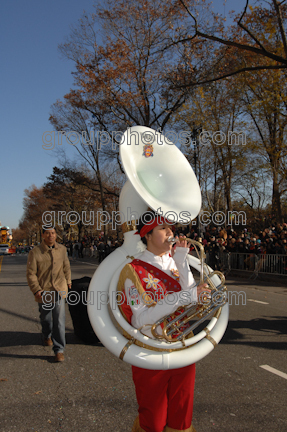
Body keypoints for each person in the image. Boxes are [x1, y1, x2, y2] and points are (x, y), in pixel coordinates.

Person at [117, 212, 209, 432]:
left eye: (171, 228)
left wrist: (182, 261)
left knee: (182, 417)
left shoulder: (176, 262)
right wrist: (187, 296)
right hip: (151, 349)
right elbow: (140, 319)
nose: (170, 233)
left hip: (182, 344)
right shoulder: (133, 270)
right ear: (146, 235)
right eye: (163, 228)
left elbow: (189, 301)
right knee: (154, 420)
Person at [26, 228, 71, 362]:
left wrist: (68, 281)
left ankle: (59, 349)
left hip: (59, 289)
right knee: (45, 318)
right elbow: (31, 273)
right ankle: (47, 335)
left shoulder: (62, 249)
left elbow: (66, 266)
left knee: (59, 320)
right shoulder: (35, 252)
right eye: (48, 233)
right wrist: (36, 289)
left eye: (53, 233)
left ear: (56, 235)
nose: (50, 235)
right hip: (44, 290)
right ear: (43, 235)